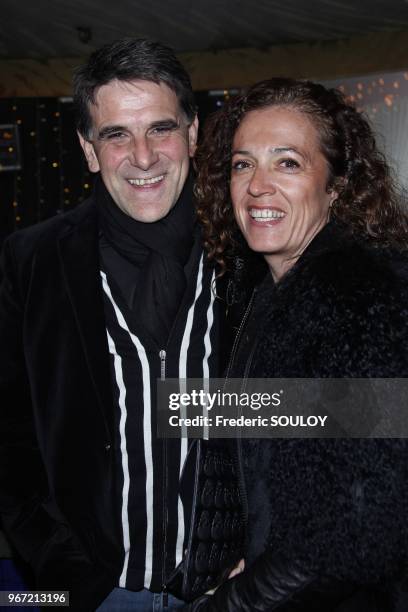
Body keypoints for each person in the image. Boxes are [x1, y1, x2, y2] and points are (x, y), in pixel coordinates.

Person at [0, 38, 245, 612]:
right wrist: (63, 568)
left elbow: (316, 415)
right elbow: (9, 437)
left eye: (160, 128)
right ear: (88, 149)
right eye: (116, 135)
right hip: (91, 592)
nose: (142, 156)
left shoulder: (253, 255)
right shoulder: (31, 262)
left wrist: (260, 545)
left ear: (192, 133)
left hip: (229, 592)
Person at [187, 78, 408, 610]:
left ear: (336, 184)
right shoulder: (264, 295)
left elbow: (351, 533)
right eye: (243, 164)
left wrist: (233, 602)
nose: (258, 186)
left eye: (287, 163)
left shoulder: (361, 301)